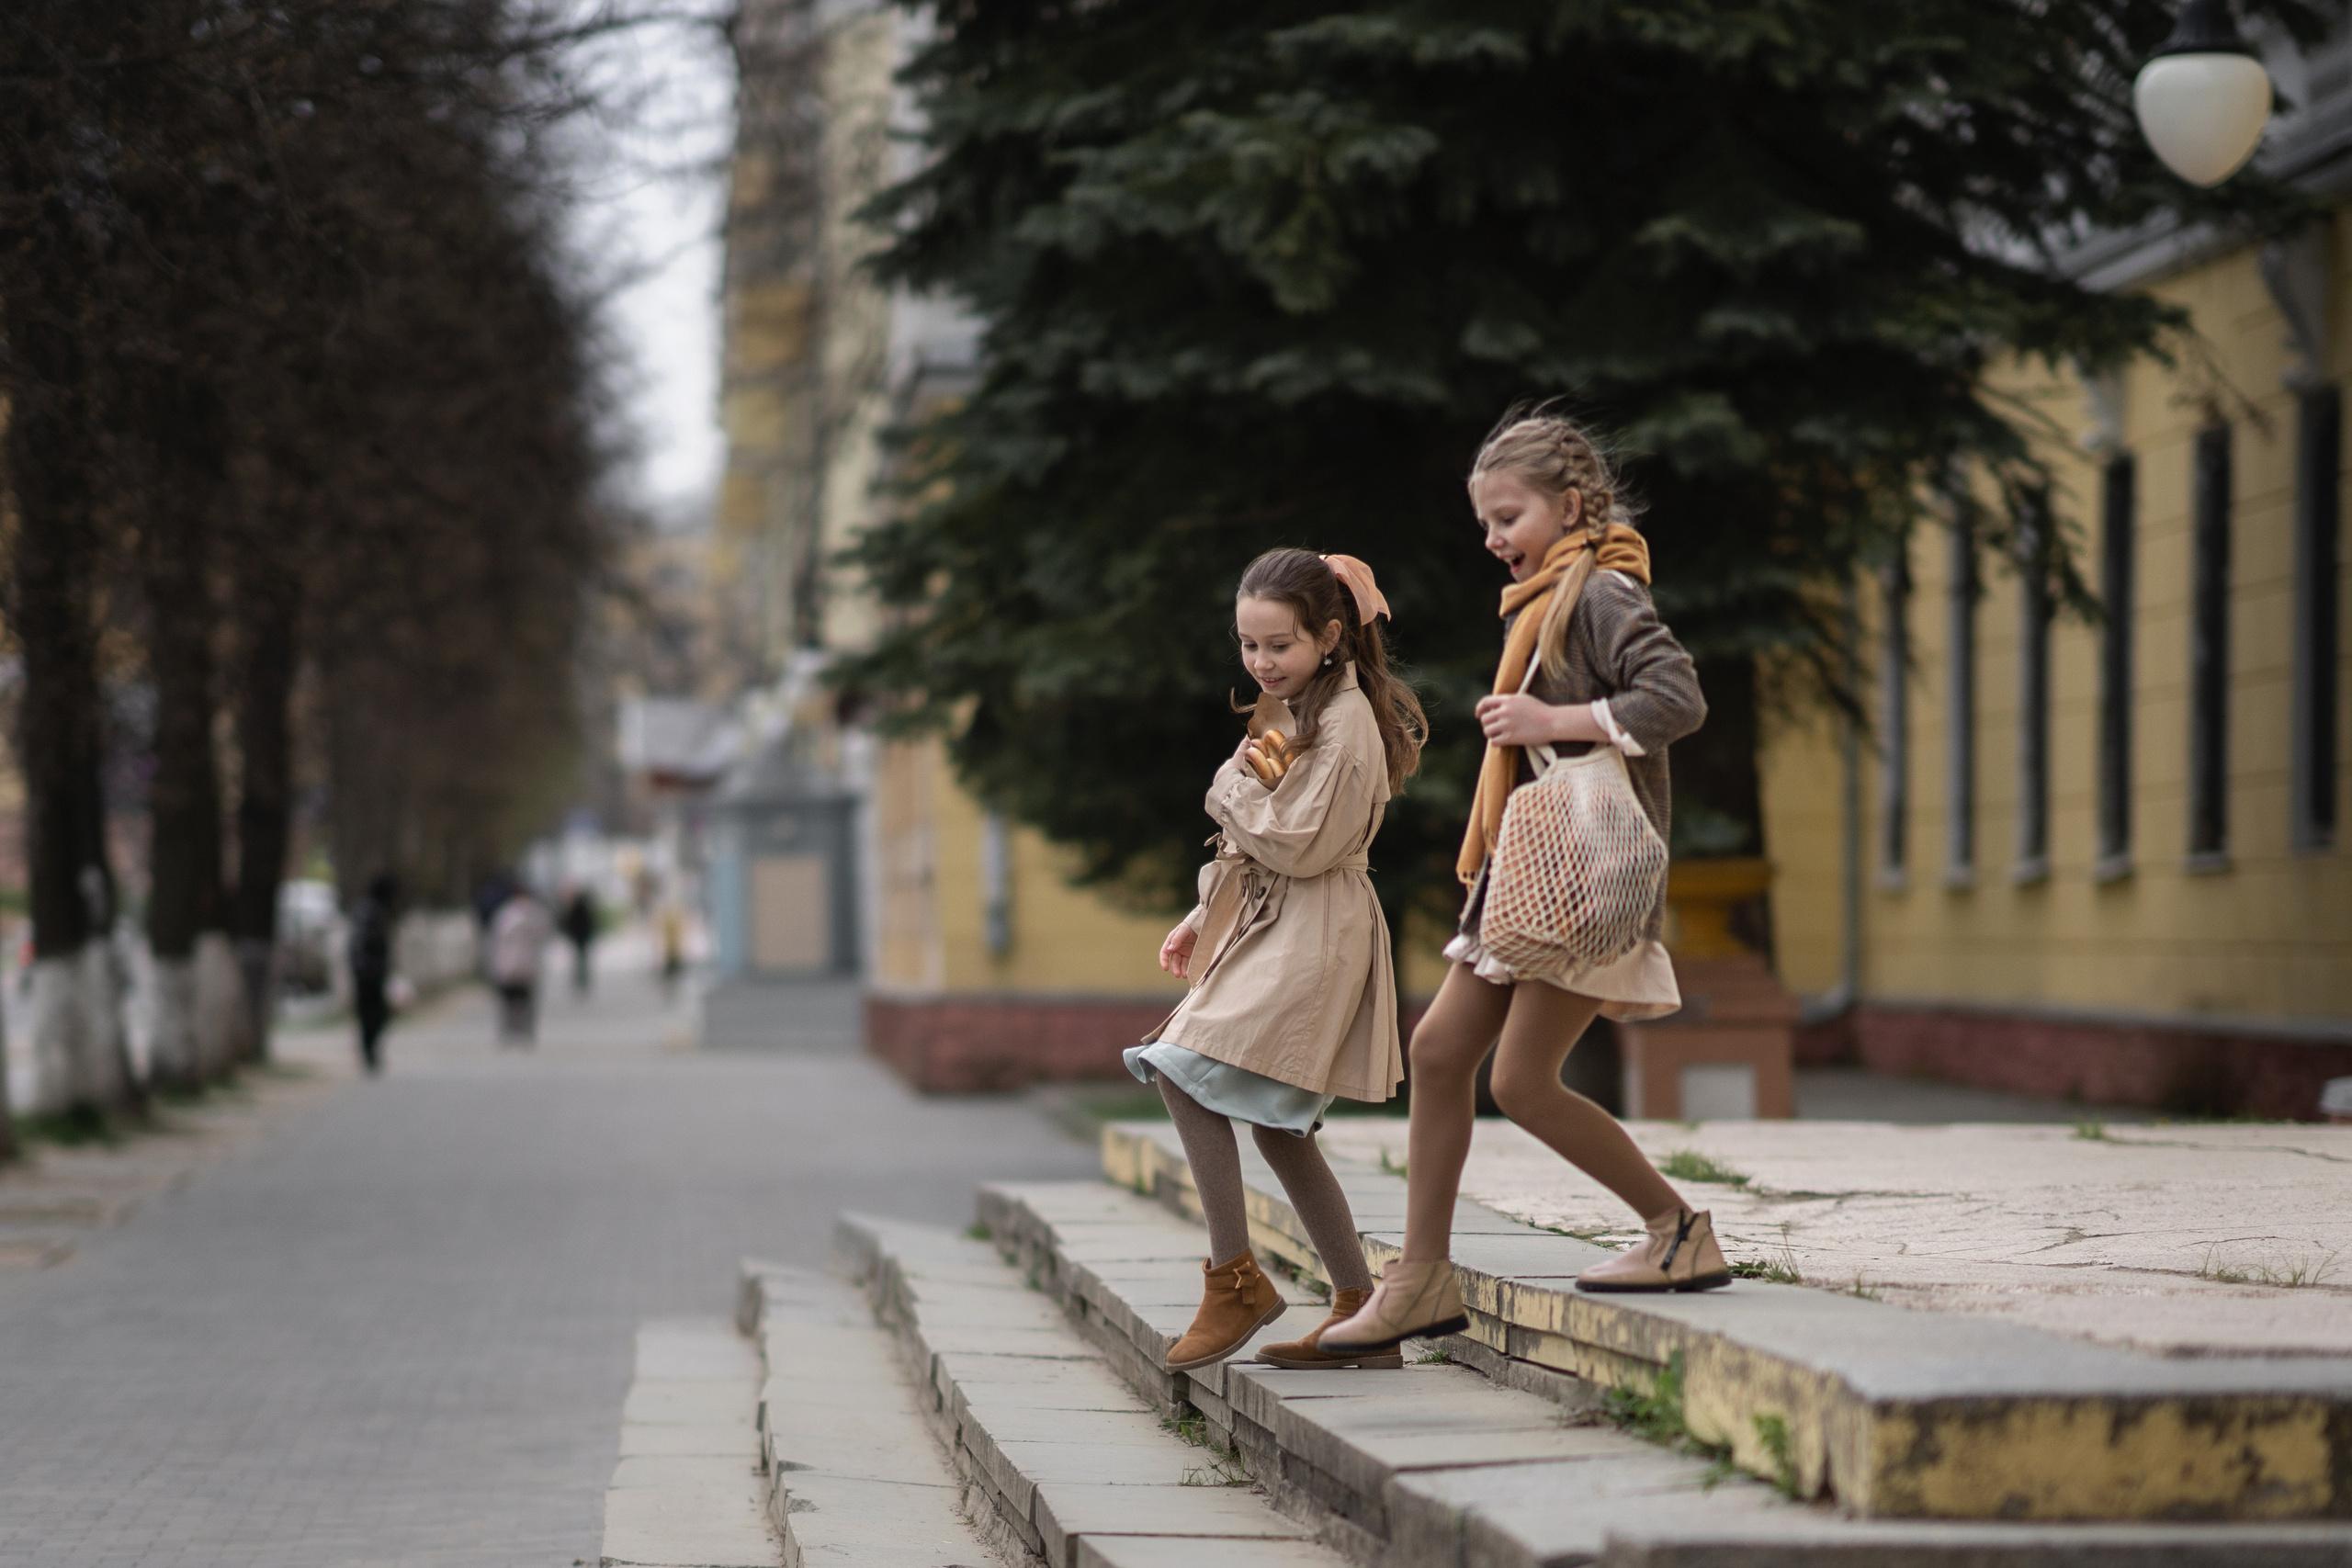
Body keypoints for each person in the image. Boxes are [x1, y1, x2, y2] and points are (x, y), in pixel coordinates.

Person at [1325, 411, 1722, 1359]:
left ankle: (1676, 1232)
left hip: (1583, 876)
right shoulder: (1552, 595)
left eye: (1509, 518)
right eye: (1485, 525)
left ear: (1571, 506)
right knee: (1441, 1053)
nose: (1494, 540)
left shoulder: (1601, 593)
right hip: (1530, 874)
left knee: (1518, 1079)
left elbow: (1678, 700)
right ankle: (1420, 1276)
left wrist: (1553, 719)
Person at [1128, 548, 1427, 1373]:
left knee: (1182, 1067)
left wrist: (1225, 786)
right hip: (1272, 921)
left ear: (1330, 635)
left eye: (1279, 645)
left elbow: (1297, 843)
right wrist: (1200, 915)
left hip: (1317, 929)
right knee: (1278, 1127)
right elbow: (1259, 845)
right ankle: (1364, 1313)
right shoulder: (1292, 708)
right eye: (1248, 645)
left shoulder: (1347, 719)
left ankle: (1235, 1284)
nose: (1262, 662)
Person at [347, 873, 398, 1075]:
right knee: (371, 1014)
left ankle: (370, 1050)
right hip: (367, 973)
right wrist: (365, 968)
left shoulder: (373, 910)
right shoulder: (369, 912)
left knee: (376, 1014)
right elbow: (360, 944)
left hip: (372, 972)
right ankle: (368, 1051)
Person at [489, 885, 551, 1045]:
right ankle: (525, 1032)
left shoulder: (505, 914)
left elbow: (496, 938)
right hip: (527, 965)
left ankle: (509, 1031)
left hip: (508, 965)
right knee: (526, 1001)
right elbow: (543, 934)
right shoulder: (536, 914)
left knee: (508, 1001)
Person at [558, 886, 598, 995]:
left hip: (577, 937)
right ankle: (582, 979)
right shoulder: (585, 910)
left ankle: (579, 979)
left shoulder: (575, 909)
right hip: (583, 937)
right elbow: (592, 924)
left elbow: (567, 922)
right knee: (582, 959)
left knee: (578, 959)